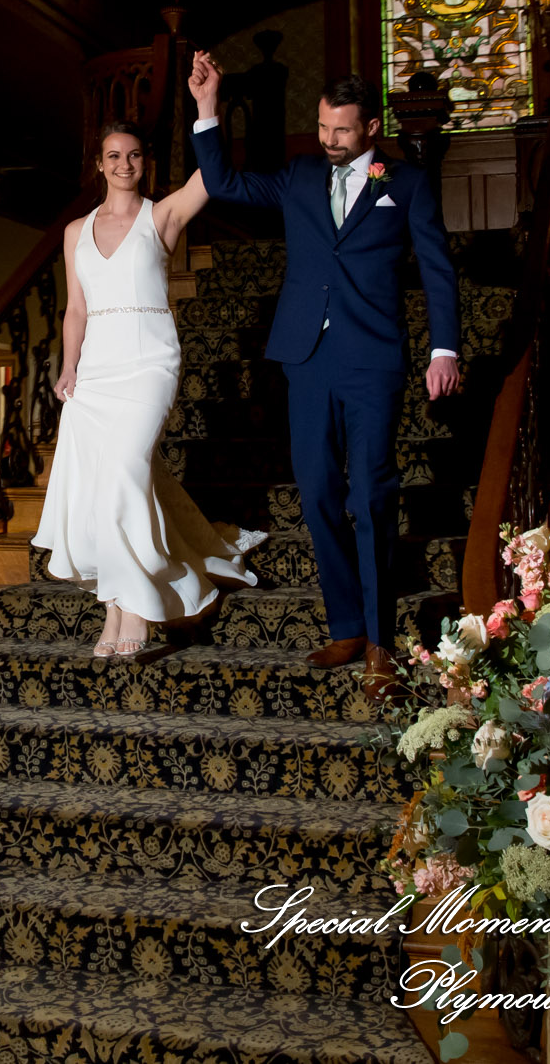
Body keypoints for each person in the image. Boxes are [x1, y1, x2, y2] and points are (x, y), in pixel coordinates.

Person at [188, 55, 461, 703]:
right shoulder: (299, 176)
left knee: (370, 497)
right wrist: (207, 109)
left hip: (373, 364)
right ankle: (345, 625)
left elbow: (437, 266)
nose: (328, 140)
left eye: (341, 130)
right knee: (315, 494)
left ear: (369, 128)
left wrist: (444, 348)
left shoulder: (407, 182)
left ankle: (380, 644)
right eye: (321, 128)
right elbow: (223, 183)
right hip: (305, 359)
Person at [33, 119, 265, 657]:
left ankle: (137, 606)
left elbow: (212, 176)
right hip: (95, 373)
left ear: (146, 162)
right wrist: (69, 368)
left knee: (124, 470)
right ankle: (116, 604)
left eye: (134, 156)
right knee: (103, 487)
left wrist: (207, 107)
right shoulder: (75, 232)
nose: (124, 165)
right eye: (114, 156)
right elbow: (75, 310)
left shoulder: (161, 215)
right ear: (99, 164)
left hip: (148, 363)